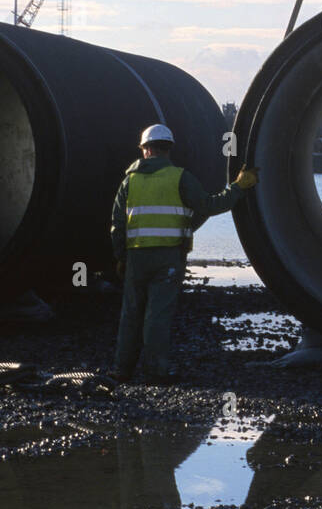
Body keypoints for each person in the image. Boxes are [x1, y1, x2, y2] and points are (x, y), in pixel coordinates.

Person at [110, 123, 257, 384]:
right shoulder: (180, 177)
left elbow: (117, 225)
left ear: (145, 150)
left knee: (131, 313)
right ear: (168, 150)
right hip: (168, 257)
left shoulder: (128, 181)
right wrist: (239, 187)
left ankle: (122, 370)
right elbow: (211, 205)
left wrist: (121, 257)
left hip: (136, 257)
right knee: (158, 314)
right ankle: (155, 371)